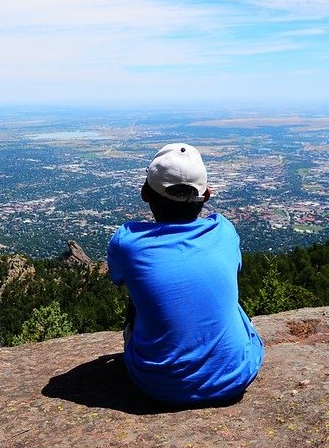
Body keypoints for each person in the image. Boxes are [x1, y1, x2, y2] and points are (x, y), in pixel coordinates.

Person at [107, 143, 264, 406]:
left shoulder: (127, 242)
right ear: (207, 194)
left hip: (156, 384)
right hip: (235, 378)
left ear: (146, 193)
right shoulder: (224, 231)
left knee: (139, 291)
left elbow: (118, 279)